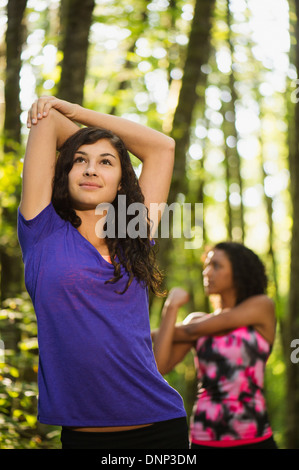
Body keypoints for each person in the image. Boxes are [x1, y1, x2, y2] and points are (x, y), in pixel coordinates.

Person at [17, 96, 189, 449]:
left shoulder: (135, 230)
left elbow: (162, 147)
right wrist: (88, 139)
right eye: (80, 160)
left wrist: (78, 114)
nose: (91, 169)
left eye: (106, 163)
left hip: (161, 426)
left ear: (123, 183)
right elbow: (47, 121)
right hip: (83, 437)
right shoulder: (42, 230)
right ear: (64, 171)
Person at [152, 242, 278, 449]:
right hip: (205, 439)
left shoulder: (261, 307)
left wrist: (148, 334)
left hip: (255, 437)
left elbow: (191, 330)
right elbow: (159, 366)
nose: (207, 272)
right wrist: (170, 307)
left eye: (216, 266)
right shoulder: (197, 320)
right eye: (207, 265)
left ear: (238, 272)